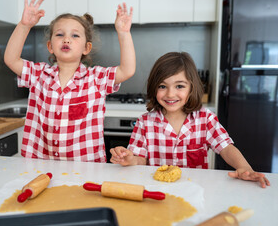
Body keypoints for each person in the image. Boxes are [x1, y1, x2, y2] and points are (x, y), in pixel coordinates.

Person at [110, 52, 270, 188]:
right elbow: (140, 159)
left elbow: (226, 148)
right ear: (153, 88)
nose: (170, 94)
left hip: (196, 189)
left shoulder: (205, 118)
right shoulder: (145, 122)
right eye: (162, 86)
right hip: (156, 188)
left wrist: (244, 168)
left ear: (191, 88)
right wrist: (130, 159)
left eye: (179, 86)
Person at [4, 0, 135, 162]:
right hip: (40, 166)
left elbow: (127, 70)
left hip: (86, 169)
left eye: (75, 36)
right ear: (50, 46)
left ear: (86, 48)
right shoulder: (39, 75)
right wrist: (24, 26)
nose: (66, 39)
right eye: (59, 34)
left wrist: (124, 33)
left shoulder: (96, 78)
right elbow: (11, 59)